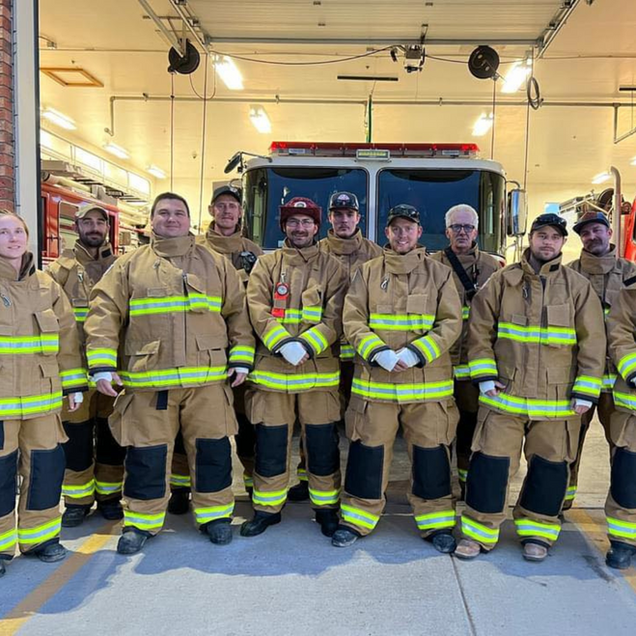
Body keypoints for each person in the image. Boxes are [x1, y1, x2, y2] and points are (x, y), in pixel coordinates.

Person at [84, 192, 255, 555]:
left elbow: (238, 312)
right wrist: (101, 364)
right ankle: (142, 521)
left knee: (212, 449)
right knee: (147, 454)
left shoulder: (216, 263)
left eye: (179, 212)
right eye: (163, 212)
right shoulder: (129, 265)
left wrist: (241, 358)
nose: (171, 218)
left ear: (190, 220)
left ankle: (215, 515)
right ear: (151, 221)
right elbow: (104, 315)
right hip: (150, 381)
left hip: (207, 381)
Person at [455, 213, 606, 562]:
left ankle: (537, 531)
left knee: (550, 468)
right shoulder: (501, 281)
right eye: (541, 235)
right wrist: (484, 377)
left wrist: (585, 390)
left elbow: (593, 342)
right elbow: (479, 333)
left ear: (562, 243)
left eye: (555, 236)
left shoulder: (577, 286)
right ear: (531, 239)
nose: (547, 242)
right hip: (504, 395)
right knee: (490, 465)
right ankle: (479, 531)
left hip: (558, 400)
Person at [331, 204, 462, 551]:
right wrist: (378, 352)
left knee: (431, 453)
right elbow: (352, 319)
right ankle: (357, 518)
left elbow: (451, 323)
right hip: (376, 384)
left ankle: (436, 523)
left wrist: (417, 353)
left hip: (427, 387)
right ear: (386, 233)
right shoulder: (367, 273)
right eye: (396, 229)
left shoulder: (440, 274)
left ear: (419, 233)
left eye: (409, 228)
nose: (402, 234)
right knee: (366, 452)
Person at [241, 197, 347, 538]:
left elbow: (337, 315)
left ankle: (326, 509)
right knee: (270, 446)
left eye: (306, 222)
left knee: (321, 447)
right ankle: (267, 509)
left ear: (317, 228)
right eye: (293, 222)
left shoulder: (334, 269)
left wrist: (306, 343)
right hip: (272, 375)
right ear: (283, 227)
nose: (299, 228)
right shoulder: (266, 265)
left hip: (318, 376)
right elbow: (256, 307)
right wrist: (282, 342)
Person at [0, 210, 86, 577]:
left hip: (43, 399)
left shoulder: (47, 286)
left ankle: (41, 537)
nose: (13, 238)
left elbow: (67, 339)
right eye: (3, 232)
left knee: (45, 469)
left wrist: (74, 384)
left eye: (18, 231)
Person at [168, 185, 263, 515]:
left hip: (242, 354)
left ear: (240, 213)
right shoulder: (195, 250)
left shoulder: (256, 252)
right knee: (188, 431)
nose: (226, 212)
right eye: (220, 206)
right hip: (201, 357)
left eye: (232, 207)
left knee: (247, 426)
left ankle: (254, 486)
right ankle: (180, 489)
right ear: (211, 210)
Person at [288, 191, 382, 503]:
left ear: (359, 218)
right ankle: (308, 476)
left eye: (349, 214)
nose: (343, 220)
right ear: (328, 219)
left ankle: (356, 481)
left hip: (361, 356)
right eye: (337, 214)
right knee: (317, 423)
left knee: (362, 422)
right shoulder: (315, 253)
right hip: (322, 353)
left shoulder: (376, 255)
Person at [47, 203, 125, 527]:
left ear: (108, 228)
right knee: (75, 439)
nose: (94, 228)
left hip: (112, 372)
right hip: (74, 373)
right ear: (76, 226)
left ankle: (109, 496)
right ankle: (77, 501)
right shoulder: (58, 271)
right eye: (88, 222)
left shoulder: (122, 267)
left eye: (100, 222)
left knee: (112, 437)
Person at [562, 210, 636, 511]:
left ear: (609, 232)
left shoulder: (632, 273)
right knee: (566, 445)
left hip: (620, 382)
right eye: (586, 233)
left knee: (623, 450)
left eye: (597, 230)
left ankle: (623, 507)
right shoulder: (567, 274)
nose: (592, 237)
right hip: (576, 378)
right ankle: (560, 503)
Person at [430, 204, 500, 497]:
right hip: (440, 361)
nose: (462, 233)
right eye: (456, 227)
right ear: (447, 232)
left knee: (471, 425)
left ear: (476, 230)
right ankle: (438, 486)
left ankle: (468, 483)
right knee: (437, 426)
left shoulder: (494, 268)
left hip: (475, 363)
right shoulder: (431, 264)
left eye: (467, 227)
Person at [604, 281, 636, 569]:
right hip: (634, 405)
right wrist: (633, 370)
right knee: (629, 475)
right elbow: (619, 336)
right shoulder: (630, 296)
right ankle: (624, 540)